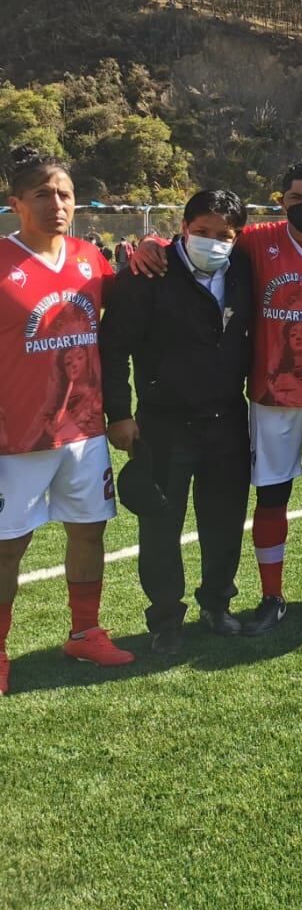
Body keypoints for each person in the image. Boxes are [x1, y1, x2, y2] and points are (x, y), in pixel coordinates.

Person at [128, 159, 302, 633]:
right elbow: (202, 238)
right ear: (279, 201)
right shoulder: (257, 240)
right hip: (269, 399)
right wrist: (150, 244)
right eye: (295, 199)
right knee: (272, 498)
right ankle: (272, 597)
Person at [100, 189, 254, 654]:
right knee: (161, 524)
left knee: (224, 520)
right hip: (164, 422)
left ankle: (217, 604)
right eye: (202, 232)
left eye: (224, 235)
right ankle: (165, 618)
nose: (213, 242)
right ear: (183, 229)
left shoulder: (245, 269)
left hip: (227, 417)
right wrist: (120, 413)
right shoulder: (149, 274)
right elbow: (113, 347)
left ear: (237, 236)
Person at [0, 147, 131, 694]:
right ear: (16, 204)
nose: (57, 204)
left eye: (65, 194)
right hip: (14, 437)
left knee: (89, 530)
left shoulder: (89, 259)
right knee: (8, 545)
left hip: (83, 430)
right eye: (43, 195)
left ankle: (84, 632)